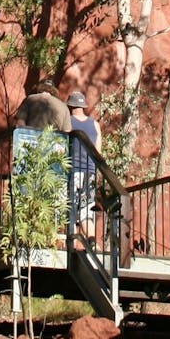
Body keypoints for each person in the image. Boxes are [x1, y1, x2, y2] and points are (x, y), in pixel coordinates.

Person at [67, 90, 99, 238]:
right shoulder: (95, 124)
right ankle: (92, 243)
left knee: (70, 210)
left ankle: (71, 245)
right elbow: (98, 151)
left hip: (72, 171)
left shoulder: (67, 122)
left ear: (70, 106)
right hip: (90, 172)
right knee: (86, 210)